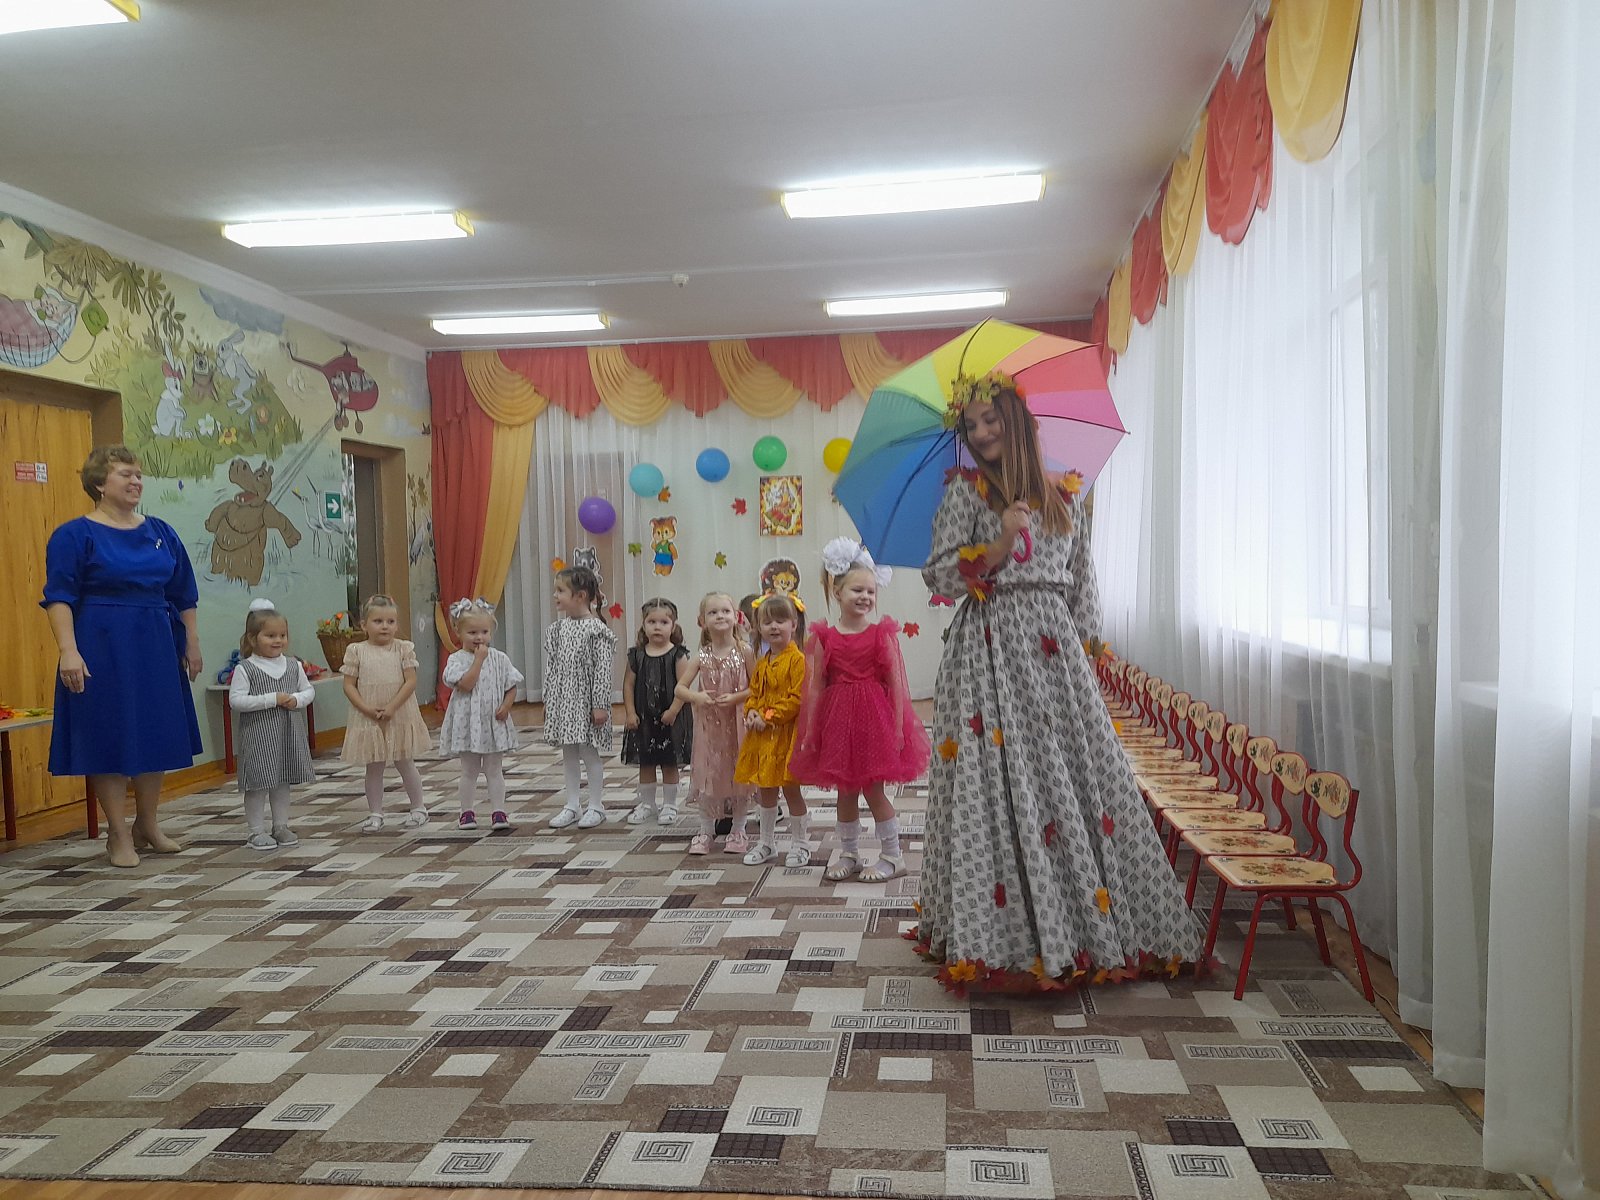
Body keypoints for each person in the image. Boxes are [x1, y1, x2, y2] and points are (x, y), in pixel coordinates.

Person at [914, 374, 1201, 993]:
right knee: (998, 784)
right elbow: (938, 578)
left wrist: (1087, 655)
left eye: (991, 419)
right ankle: (1009, 934)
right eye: (971, 425)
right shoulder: (964, 492)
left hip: (1055, 653)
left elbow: (1084, 579)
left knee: (1072, 776)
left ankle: (1084, 923)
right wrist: (999, 541)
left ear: (1017, 420)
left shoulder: (1065, 494)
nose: (981, 433)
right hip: (990, 649)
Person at [42, 445, 204, 868]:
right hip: (100, 643)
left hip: (156, 641)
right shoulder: (73, 535)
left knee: (156, 730)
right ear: (99, 483)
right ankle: (117, 832)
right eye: (125, 474)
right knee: (108, 733)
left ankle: (147, 824)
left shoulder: (161, 532)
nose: (136, 481)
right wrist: (68, 651)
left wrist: (191, 641)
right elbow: (59, 597)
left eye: (138, 475)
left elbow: (183, 593)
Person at [790, 539, 930, 883]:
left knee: (874, 790)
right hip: (838, 723)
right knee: (845, 791)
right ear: (837, 591)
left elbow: (896, 685)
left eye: (870, 591)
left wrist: (898, 729)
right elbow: (816, 687)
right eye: (857, 590)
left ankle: (893, 856)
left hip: (874, 723)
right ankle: (849, 853)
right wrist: (811, 731)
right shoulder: (825, 636)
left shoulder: (881, 634)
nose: (865, 596)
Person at [340, 594, 432, 831]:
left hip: (399, 713)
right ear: (364, 625)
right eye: (378, 621)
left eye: (391, 622)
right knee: (374, 766)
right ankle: (375, 813)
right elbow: (349, 685)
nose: (385, 626)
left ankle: (419, 808)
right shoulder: (356, 651)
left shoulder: (403, 649)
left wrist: (392, 707)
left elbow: (411, 681)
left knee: (405, 762)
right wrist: (366, 708)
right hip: (369, 716)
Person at [228, 599, 314, 850]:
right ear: (253, 638)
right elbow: (236, 701)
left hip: (287, 734)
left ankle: (281, 826)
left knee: (282, 781)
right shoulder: (246, 668)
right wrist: (270, 699)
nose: (278, 640)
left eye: (282, 635)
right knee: (258, 783)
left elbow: (308, 691)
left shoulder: (293, 665)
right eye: (270, 636)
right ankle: (256, 831)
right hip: (258, 736)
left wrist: (297, 700)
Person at [733, 594, 811, 866]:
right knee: (765, 790)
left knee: (791, 790)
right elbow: (754, 693)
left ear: (794, 624)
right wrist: (752, 712)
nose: (774, 627)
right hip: (763, 738)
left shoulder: (797, 660)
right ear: (758, 627)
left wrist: (768, 716)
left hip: (787, 736)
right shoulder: (762, 662)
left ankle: (800, 844)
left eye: (780, 621)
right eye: (767, 622)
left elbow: (797, 698)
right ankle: (767, 843)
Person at [677, 592, 755, 856]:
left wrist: (736, 697)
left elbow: (758, 687)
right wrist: (697, 697)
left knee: (738, 775)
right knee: (709, 774)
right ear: (702, 621)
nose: (720, 616)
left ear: (737, 617)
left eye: (725, 611)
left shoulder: (745, 652)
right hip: (710, 728)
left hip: (737, 726)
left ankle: (738, 829)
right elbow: (680, 689)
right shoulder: (701, 656)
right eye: (713, 612)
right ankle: (705, 830)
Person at [439, 598, 523, 831]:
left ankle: (499, 812)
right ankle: (466, 812)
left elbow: (511, 685)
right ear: (458, 632)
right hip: (468, 724)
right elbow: (466, 684)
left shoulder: (500, 658)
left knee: (494, 770)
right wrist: (478, 660)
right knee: (469, 770)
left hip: (492, 723)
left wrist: (506, 705)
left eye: (484, 632)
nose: (479, 638)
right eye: (472, 632)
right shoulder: (456, 660)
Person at [544, 565, 616, 829]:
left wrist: (600, 705)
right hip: (564, 701)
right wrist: (549, 700)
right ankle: (572, 805)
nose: (555, 595)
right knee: (569, 754)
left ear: (581, 596)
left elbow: (603, 671)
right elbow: (552, 669)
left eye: (560, 590)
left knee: (589, 753)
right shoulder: (557, 630)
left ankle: (596, 805)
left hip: (586, 703)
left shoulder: (597, 631)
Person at [622, 598, 694, 826]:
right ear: (643, 625)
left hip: (671, 719)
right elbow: (628, 685)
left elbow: (684, 686)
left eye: (663, 622)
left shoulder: (678, 655)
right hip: (644, 719)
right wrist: (630, 712)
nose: (657, 627)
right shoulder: (636, 655)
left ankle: (670, 804)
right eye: (651, 622)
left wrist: (673, 710)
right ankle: (647, 804)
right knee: (646, 762)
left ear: (673, 626)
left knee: (669, 763)